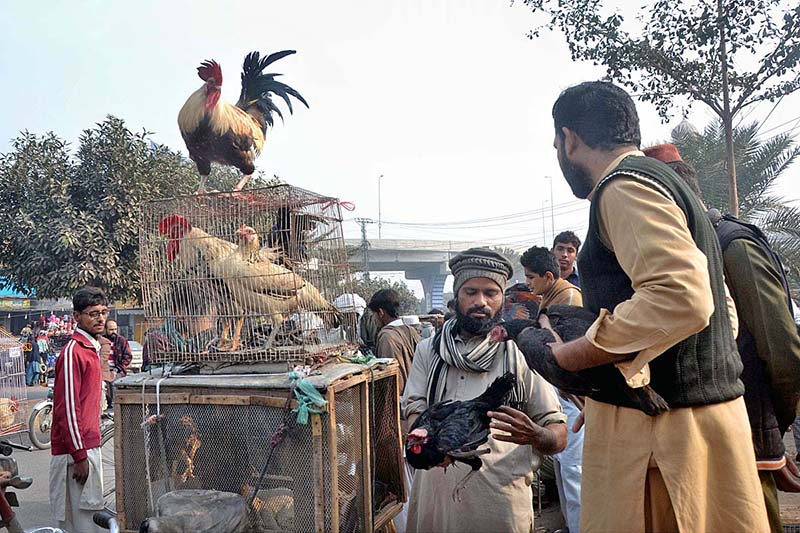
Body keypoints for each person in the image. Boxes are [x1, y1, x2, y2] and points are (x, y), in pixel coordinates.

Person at [548, 81, 768, 532]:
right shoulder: (668, 183)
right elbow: (719, 305)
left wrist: (580, 353)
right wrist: (620, 380)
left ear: (569, 139)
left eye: (556, 143)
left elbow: (681, 297)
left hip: (659, 439)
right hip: (702, 424)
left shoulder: (622, 187)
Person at [644, 143, 800, 533]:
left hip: (746, 433)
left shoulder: (731, 245)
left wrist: (772, 427)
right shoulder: (680, 251)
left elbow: (781, 350)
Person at [402, 247, 567, 533]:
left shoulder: (521, 352)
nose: (480, 301)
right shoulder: (429, 350)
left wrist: (536, 434)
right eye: (471, 291)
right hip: (435, 506)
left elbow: (558, 431)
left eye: (491, 293)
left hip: (499, 507)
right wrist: (430, 438)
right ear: (457, 296)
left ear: (502, 299)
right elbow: (411, 414)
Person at [519, 246, 584, 533]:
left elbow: (569, 354)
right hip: (561, 393)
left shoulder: (568, 297)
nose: (529, 284)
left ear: (547, 276)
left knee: (574, 472)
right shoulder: (549, 297)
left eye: (532, 277)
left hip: (573, 394)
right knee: (563, 469)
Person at [50, 286, 107, 533]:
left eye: (103, 312)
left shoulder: (91, 348)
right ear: (77, 317)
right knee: (79, 525)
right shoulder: (74, 352)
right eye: (93, 313)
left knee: (91, 520)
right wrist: (79, 455)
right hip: (75, 454)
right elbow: (67, 409)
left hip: (86, 447)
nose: (100, 318)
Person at [368, 288, 421, 394]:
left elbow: (387, 379)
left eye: (374, 314)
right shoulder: (411, 330)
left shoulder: (386, 337)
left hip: (399, 400)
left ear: (381, 313)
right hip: (416, 394)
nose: (373, 319)